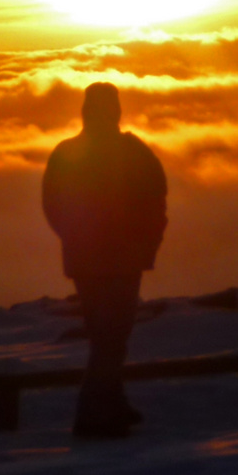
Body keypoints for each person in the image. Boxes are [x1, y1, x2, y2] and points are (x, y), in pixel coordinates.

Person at [42, 82, 168, 438]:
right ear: (116, 110)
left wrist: (75, 240)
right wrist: (147, 243)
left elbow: (52, 206)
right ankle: (93, 415)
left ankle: (112, 404)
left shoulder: (66, 152)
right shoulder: (134, 152)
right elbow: (156, 199)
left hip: (86, 262)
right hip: (123, 261)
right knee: (112, 338)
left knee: (105, 336)